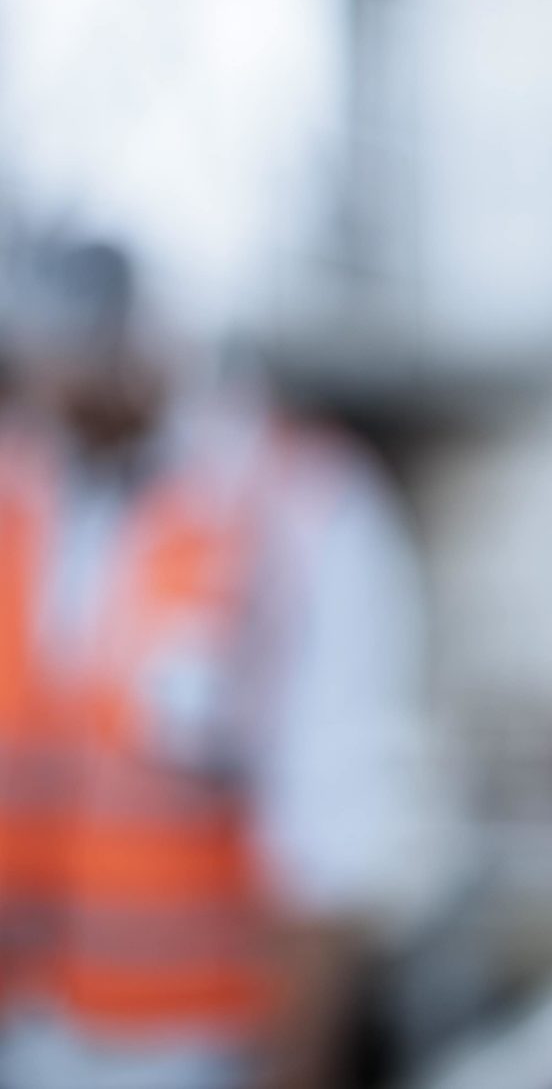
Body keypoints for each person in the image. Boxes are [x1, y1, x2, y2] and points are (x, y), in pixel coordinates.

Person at [0, 238, 450, 1089]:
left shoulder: (301, 507)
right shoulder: (18, 491)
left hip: (194, 1048)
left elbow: (334, 840)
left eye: (84, 360)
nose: (56, 388)